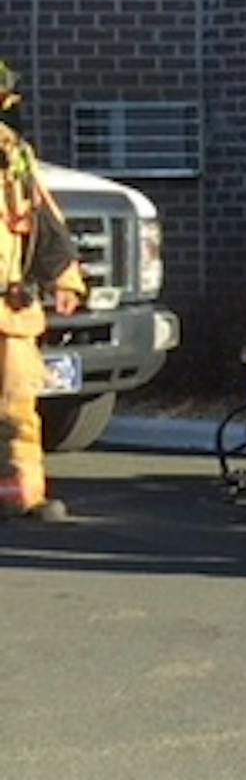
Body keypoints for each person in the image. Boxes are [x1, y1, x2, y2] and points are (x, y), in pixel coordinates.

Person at [0, 60, 88, 522]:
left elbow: (43, 223)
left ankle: (24, 495)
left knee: (18, 407)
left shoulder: (14, 158)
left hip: (8, 309)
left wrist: (64, 278)